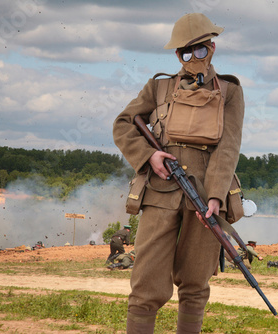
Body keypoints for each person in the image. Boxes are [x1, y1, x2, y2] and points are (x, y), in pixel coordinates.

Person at [112, 13, 244, 333]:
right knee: (145, 286)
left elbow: (227, 149)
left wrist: (214, 198)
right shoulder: (158, 88)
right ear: (177, 55)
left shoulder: (229, 91)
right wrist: (149, 155)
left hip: (205, 197)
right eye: (186, 52)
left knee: (196, 285)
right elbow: (123, 124)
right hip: (160, 192)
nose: (193, 58)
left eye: (200, 50)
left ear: (212, 47)